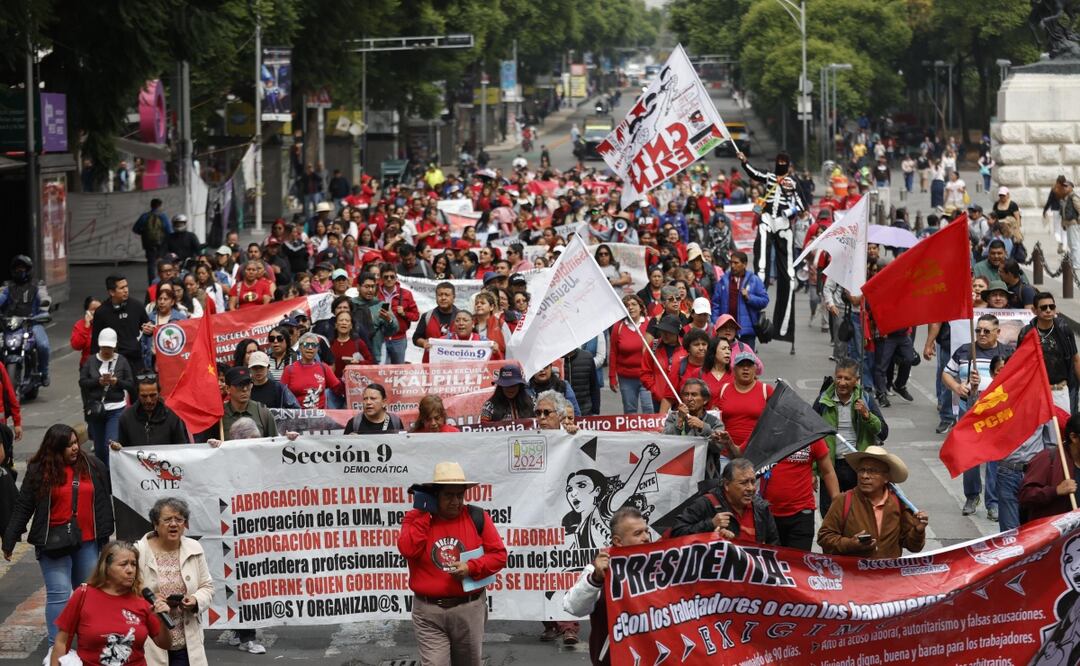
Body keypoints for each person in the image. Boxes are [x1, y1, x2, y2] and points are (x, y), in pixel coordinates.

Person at [3, 424, 114, 648]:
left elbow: (106, 500)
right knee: (59, 594)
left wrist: (106, 534)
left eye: (75, 443)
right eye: (68, 445)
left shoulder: (93, 465)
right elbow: (24, 505)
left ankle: (88, 645)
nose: (75, 448)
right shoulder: (38, 470)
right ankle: (57, 648)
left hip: (87, 541)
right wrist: (10, 539)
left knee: (86, 595)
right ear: (55, 448)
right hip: (52, 542)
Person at [398, 462, 507, 666]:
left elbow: (499, 555)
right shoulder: (415, 518)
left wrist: (471, 567)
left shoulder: (477, 516)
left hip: (469, 609)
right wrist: (423, 513)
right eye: (449, 495)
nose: (456, 501)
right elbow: (408, 550)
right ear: (434, 495)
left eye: (460, 495)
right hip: (429, 612)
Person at [49, 540, 172, 666]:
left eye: (134, 564)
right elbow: (61, 642)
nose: (130, 570)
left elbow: (164, 644)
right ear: (106, 567)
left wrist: (163, 622)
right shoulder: (83, 594)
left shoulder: (143, 600)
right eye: (123, 564)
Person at [562, 508, 652, 666]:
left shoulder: (660, 563)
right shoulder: (599, 569)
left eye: (646, 531)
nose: (646, 537)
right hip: (613, 659)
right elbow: (573, 607)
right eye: (637, 533)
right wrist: (596, 579)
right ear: (618, 540)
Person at [943, 313, 1010, 520]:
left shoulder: (1007, 353)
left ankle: (993, 503)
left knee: (993, 458)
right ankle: (972, 496)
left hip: (995, 412)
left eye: (986, 331)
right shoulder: (965, 350)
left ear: (997, 332)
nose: (981, 334)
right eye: (978, 330)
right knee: (970, 455)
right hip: (968, 410)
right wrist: (958, 386)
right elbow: (946, 373)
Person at [134, 498, 214, 665]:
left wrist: (195, 600)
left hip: (187, 641)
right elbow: (126, 593)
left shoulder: (195, 548)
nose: (174, 524)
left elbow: (207, 587)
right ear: (155, 524)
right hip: (152, 640)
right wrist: (151, 602)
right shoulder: (138, 552)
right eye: (167, 519)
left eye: (179, 519)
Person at [817, 446, 929, 559]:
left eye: (872, 471)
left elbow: (913, 547)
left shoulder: (898, 503)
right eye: (862, 470)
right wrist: (850, 544)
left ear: (886, 478)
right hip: (854, 574)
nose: (865, 476)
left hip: (887, 573)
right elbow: (824, 538)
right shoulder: (843, 500)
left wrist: (918, 531)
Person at [812, 359, 888, 516]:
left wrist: (867, 416)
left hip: (857, 467)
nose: (842, 383)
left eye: (847, 378)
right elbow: (811, 437)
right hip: (829, 468)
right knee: (831, 515)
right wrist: (812, 472)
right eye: (839, 377)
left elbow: (883, 432)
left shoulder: (865, 399)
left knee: (858, 515)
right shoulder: (823, 401)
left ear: (856, 380)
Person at [671, 458, 780, 545]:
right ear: (727, 485)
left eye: (753, 481)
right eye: (744, 483)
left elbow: (775, 547)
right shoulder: (706, 503)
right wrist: (710, 524)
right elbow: (676, 533)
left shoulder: (761, 508)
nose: (751, 488)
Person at [79, 328, 135, 469]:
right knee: (99, 448)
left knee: (110, 444)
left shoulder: (122, 361)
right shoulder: (91, 361)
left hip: (116, 409)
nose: (106, 350)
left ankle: (113, 477)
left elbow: (131, 384)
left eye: (109, 347)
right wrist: (98, 382)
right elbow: (82, 382)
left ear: (115, 346)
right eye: (104, 347)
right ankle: (103, 475)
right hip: (97, 410)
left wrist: (117, 382)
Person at [1018, 292, 1080, 413]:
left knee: (1063, 428)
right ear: (1034, 310)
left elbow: (1075, 358)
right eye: (1043, 307)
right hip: (1036, 391)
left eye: (1051, 307)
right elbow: (1021, 365)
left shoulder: (1063, 328)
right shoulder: (1026, 333)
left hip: (1060, 391)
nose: (1048, 310)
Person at [0, 254, 52, 385]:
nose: (20, 270)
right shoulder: (7, 287)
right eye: (17, 268)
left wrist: (44, 305)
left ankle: (43, 373)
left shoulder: (37, 285)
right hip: (11, 325)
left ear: (28, 270)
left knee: (43, 345)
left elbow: (45, 299)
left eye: (22, 268)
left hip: (32, 323)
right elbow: (1, 298)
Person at [662, 378, 730, 478]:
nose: (689, 399)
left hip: (706, 478)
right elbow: (664, 443)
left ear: (705, 400)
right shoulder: (673, 418)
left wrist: (704, 428)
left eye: (694, 395)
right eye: (686, 395)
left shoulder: (714, 422)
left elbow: (719, 447)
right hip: (678, 477)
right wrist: (679, 422)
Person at [1020, 414, 1080, 522]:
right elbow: (1026, 496)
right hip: (1053, 534)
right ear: (1074, 437)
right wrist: (1055, 491)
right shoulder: (1047, 458)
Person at [715, 350, 773, 455]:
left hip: (756, 453)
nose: (746, 368)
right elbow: (714, 419)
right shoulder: (724, 389)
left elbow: (775, 421)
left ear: (755, 369)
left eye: (749, 366)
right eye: (741, 365)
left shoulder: (766, 390)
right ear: (734, 369)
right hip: (725, 453)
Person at [92, 274, 151, 373]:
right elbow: (95, 341)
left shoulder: (137, 306)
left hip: (135, 359)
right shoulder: (101, 312)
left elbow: (147, 327)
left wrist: (149, 330)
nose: (126, 290)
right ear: (111, 292)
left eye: (126, 286)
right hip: (113, 361)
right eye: (122, 288)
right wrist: (94, 366)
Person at [710, 250, 769, 349]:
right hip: (726, 330)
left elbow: (764, 300)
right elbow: (716, 304)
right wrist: (716, 323)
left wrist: (749, 297)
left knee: (746, 361)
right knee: (726, 360)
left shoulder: (754, 280)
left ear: (744, 264)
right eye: (731, 263)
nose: (732, 266)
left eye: (736, 263)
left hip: (746, 332)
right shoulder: (723, 281)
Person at [114, 375, 189, 449]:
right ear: (138, 395)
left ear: (159, 393)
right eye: (144, 396)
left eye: (152, 395)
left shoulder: (173, 417)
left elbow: (181, 448)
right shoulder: (126, 418)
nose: (149, 400)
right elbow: (123, 448)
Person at [609, 295, 651, 414]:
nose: (630, 308)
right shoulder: (618, 327)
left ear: (641, 307)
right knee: (630, 411)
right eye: (627, 306)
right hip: (626, 378)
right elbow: (613, 352)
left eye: (633, 304)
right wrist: (612, 377)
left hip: (647, 376)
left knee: (649, 409)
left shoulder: (649, 323)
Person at [280, 332, 345, 409]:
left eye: (314, 345)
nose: (310, 348)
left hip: (319, 417)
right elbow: (281, 395)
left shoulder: (324, 367)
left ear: (317, 349)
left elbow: (338, 388)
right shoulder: (289, 369)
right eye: (306, 345)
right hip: (296, 416)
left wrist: (347, 379)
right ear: (300, 348)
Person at [378, 264, 420, 364]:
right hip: (380, 339)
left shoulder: (406, 294)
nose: (389, 279)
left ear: (396, 278)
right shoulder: (375, 293)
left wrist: (404, 313)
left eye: (392, 276)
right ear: (381, 278)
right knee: (382, 372)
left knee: (398, 373)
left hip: (399, 339)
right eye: (386, 277)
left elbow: (416, 316)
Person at [414, 281, 461, 355]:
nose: (443, 298)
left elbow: (471, 338)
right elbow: (416, 338)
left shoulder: (462, 317)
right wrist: (423, 343)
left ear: (453, 297)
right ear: (436, 297)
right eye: (440, 295)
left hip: (455, 361)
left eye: (447, 295)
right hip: (431, 361)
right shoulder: (427, 316)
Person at [133, 198, 173, 282]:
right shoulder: (163, 216)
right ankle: (165, 281)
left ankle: (152, 284)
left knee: (151, 265)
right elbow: (169, 231)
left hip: (149, 245)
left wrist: (144, 233)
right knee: (164, 263)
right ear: (160, 206)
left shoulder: (145, 216)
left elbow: (135, 229)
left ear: (151, 206)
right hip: (162, 245)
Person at [71, 296, 102, 368]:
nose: (97, 312)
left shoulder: (107, 323)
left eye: (99, 309)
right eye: (93, 309)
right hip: (87, 366)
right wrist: (86, 327)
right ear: (87, 311)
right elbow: (76, 346)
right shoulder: (80, 325)